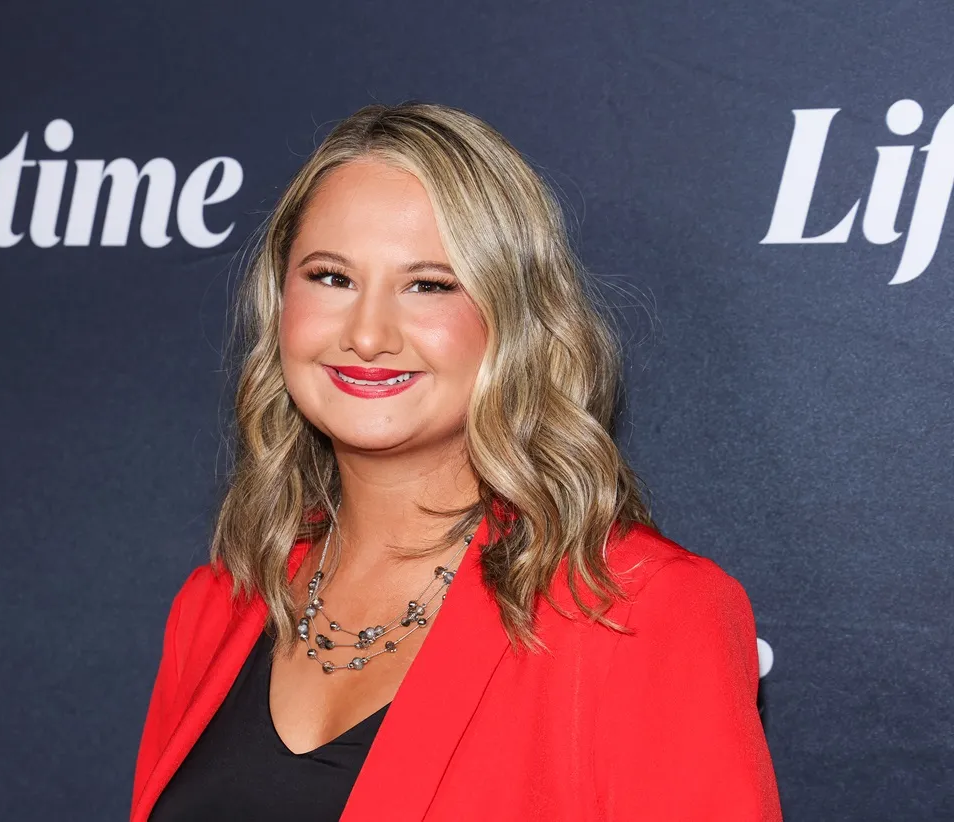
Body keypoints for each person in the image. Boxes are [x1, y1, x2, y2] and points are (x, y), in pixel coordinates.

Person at [131, 101, 782, 821]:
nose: (369, 334)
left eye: (430, 285)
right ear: (280, 299)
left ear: (517, 319)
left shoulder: (639, 609)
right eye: (331, 278)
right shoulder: (218, 603)